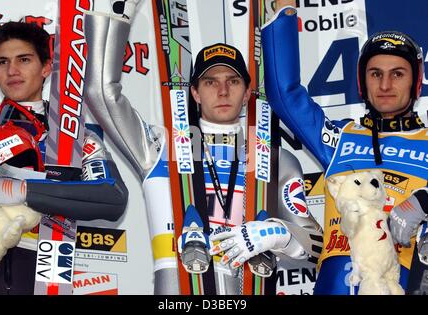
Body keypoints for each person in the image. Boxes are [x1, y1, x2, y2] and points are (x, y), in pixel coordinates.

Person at [82, 2, 321, 294]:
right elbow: (101, 92)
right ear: (194, 92)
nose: (222, 91)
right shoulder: (159, 146)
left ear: (247, 92)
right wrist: (119, 10)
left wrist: (281, 235)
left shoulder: (276, 159)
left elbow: (318, 244)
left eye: (233, 81)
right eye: (210, 82)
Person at [262, 0, 428, 294]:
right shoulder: (340, 138)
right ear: (362, 82)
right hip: (333, 282)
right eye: (375, 73)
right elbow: (285, 96)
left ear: (416, 82)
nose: (386, 84)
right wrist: (285, 13)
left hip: (399, 281)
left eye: (397, 74)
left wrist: (425, 201)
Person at [0, 20, 128, 294]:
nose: (12, 71)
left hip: (45, 268)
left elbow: (113, 196)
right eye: (2, 62)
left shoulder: (73, 137)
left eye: (24, 59)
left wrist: (24, 189)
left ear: (47, 67)